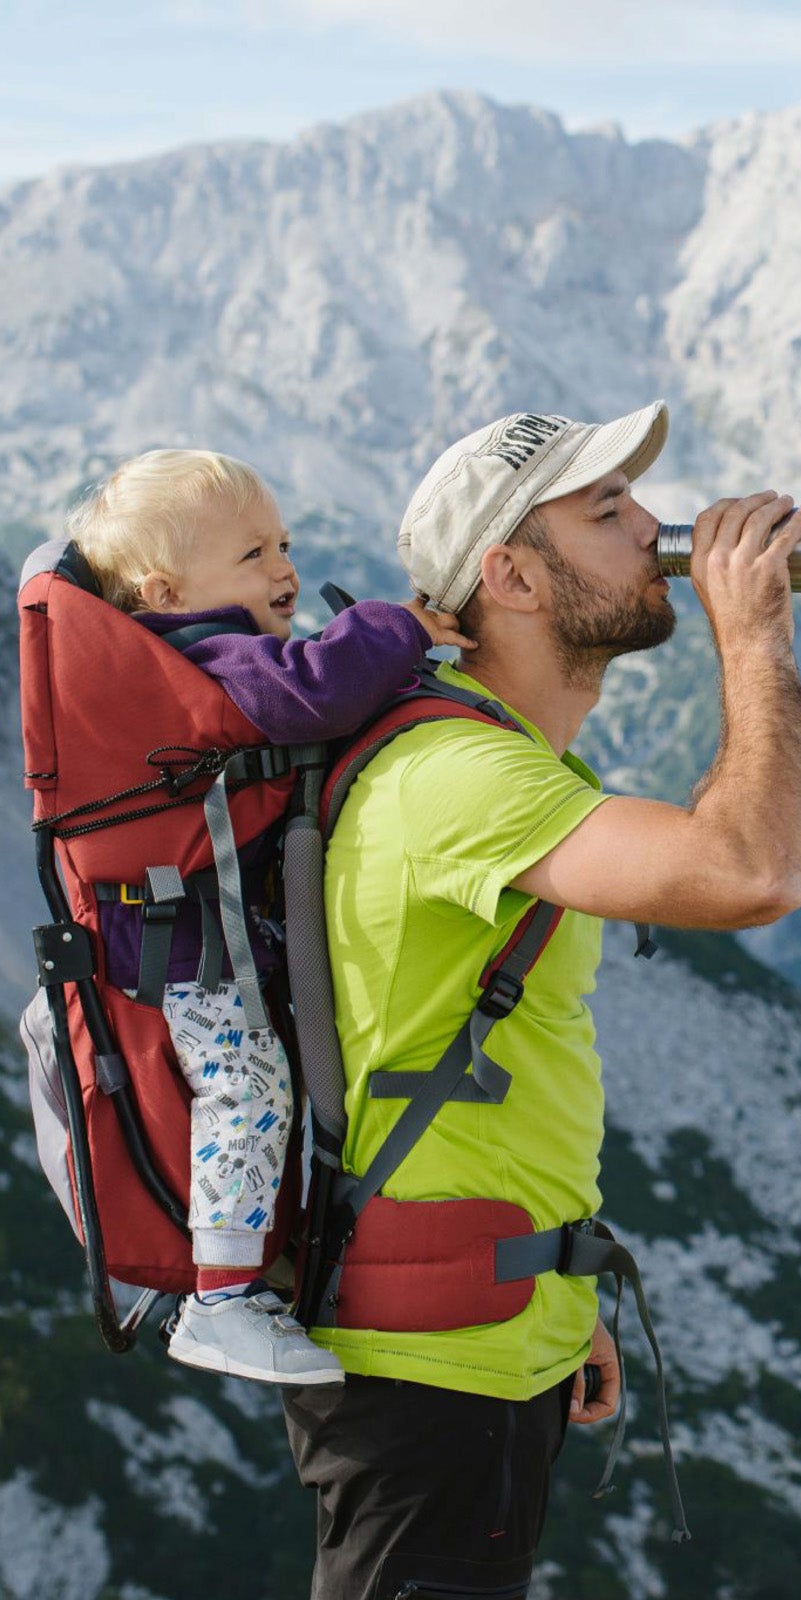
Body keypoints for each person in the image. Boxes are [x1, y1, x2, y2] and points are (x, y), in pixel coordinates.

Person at [281, 401, 801, 1599]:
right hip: (424, 1373)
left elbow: (472, 1047)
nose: (654, 527)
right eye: (606, 509)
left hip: (478, 1330)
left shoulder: (502, 762)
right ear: (511, 576)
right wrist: (755, 636)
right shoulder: (455, 776)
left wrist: (552, 1286)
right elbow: (753, 869)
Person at [69, 448, 471, 1385]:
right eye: (254, 554)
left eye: (282, 543)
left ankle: (249, 1268)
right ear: (167, 590)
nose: (285, 568)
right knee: (248, 1088)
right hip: (193, 950)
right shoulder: (205, 650)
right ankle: (220, 1301)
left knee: (264, 1087)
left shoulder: (181, 656)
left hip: (191, 936)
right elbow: (308, 692)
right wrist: (398, 629)